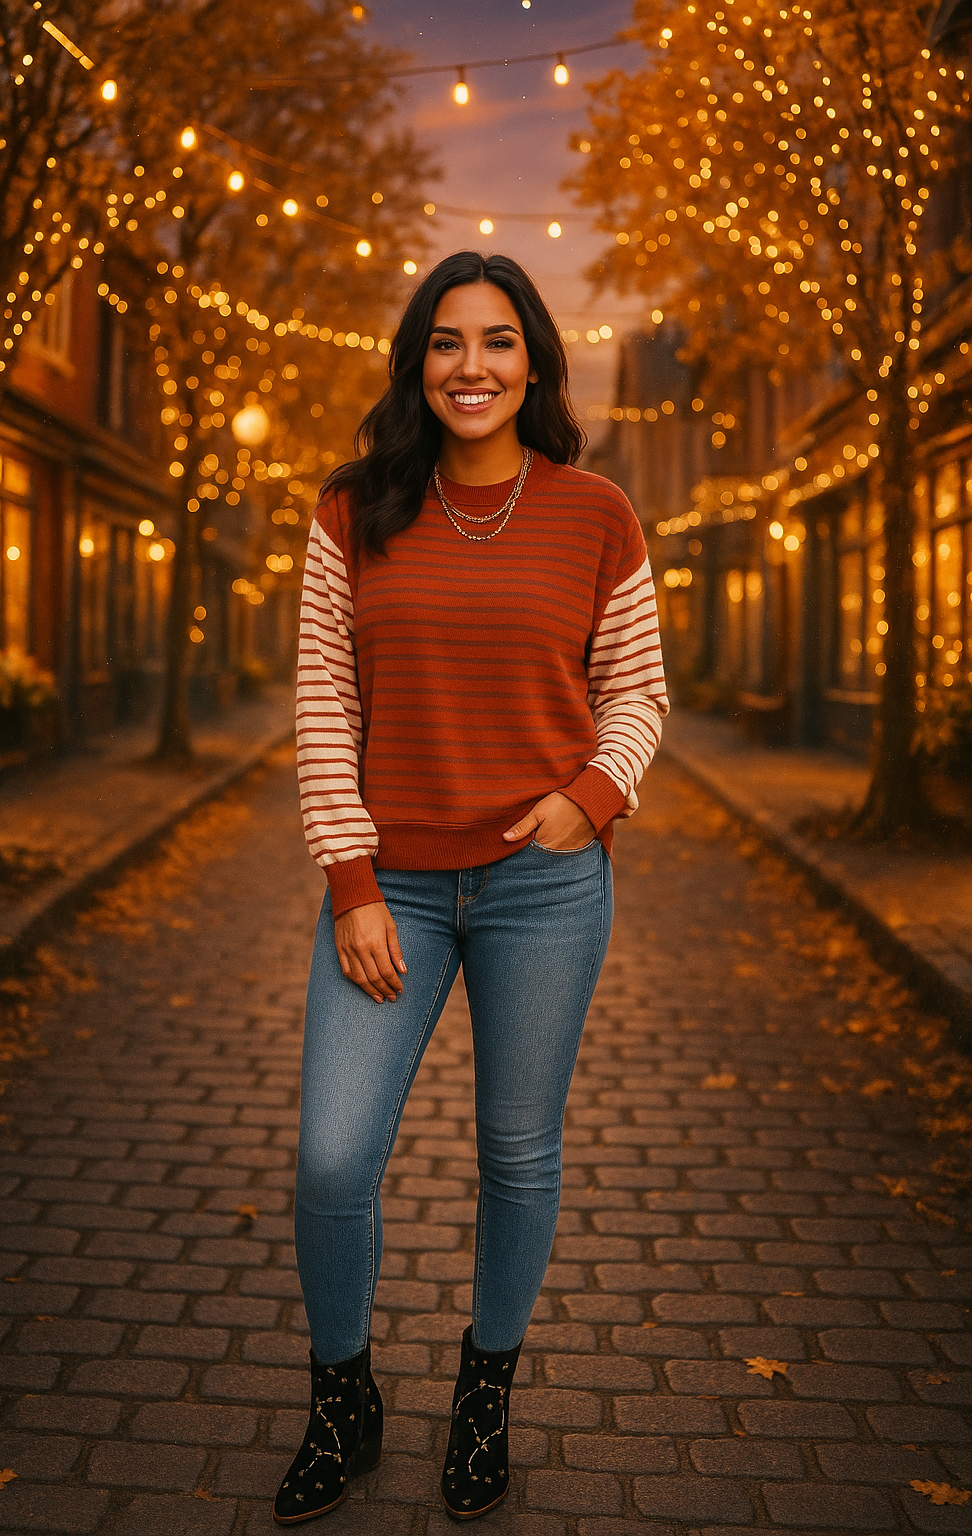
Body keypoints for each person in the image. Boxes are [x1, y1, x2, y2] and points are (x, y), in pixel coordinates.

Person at [273, 250, 669, 1526]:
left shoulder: (597, 513)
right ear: (417, 363)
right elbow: (323, 706)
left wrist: (588, 799)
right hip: (390, 887)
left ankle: (483, 1396)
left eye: (498, 341)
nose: (472, 366)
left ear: (536, 363)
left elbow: (637, 691)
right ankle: (344, 1397)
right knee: (332, 1157)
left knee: (517, 1153)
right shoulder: (353, 511)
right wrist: (350, 881)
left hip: (543, 890)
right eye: (447, 341)